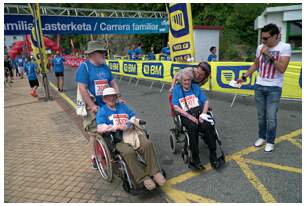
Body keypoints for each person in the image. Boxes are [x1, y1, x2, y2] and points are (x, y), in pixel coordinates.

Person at [96, 87, 166, 190]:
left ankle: (155, 172)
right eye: (108, 97)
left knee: (147, 144)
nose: (111, 98)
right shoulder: (102, 111)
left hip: (131, 133)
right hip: (118, 138)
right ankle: (143, 177)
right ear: (104, 99)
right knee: (129, 152)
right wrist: (116, 127)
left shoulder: (122, 106)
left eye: (113, 96)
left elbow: (132, 115)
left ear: (116, 97)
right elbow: (100, 127)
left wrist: (130, 122)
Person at [237, 23, 292, 152]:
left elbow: (282, 69)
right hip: (260, 86)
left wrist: (270, 56)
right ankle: (262, 137)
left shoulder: (285, 47)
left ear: (276, 36)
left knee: (271, 117)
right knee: (261, 116)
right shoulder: (260, 47)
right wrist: (244, 76)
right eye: (262, 38)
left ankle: (270, 141)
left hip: (274, 87)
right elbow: (256, 65)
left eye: (266, 38)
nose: (263, 41)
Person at [75, 40, 124, 169]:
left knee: (115, 124)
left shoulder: (105, 67)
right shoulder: (84, 67)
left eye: (104, 51)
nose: (104, 54)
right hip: (94, 104)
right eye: (101, 52)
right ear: (92, 54)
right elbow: (82, 88)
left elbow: (113, 83)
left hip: (107, 103)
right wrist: (91, 105)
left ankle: (113, 151)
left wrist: (119, 97)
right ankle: (94, 157)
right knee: (94, 132)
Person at [172, 69, 220, 170]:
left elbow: (206, 101)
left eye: (189, 80)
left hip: (199, 112)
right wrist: (190, 117)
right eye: (184, 80)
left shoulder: (195, 87)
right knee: (193, 127)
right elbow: (176, 106)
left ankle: (213, 155)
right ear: (181, 81)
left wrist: (203, 114)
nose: (187, 82)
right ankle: (195, 158)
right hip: (186, 114)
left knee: (208, 125)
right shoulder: (177, 89)